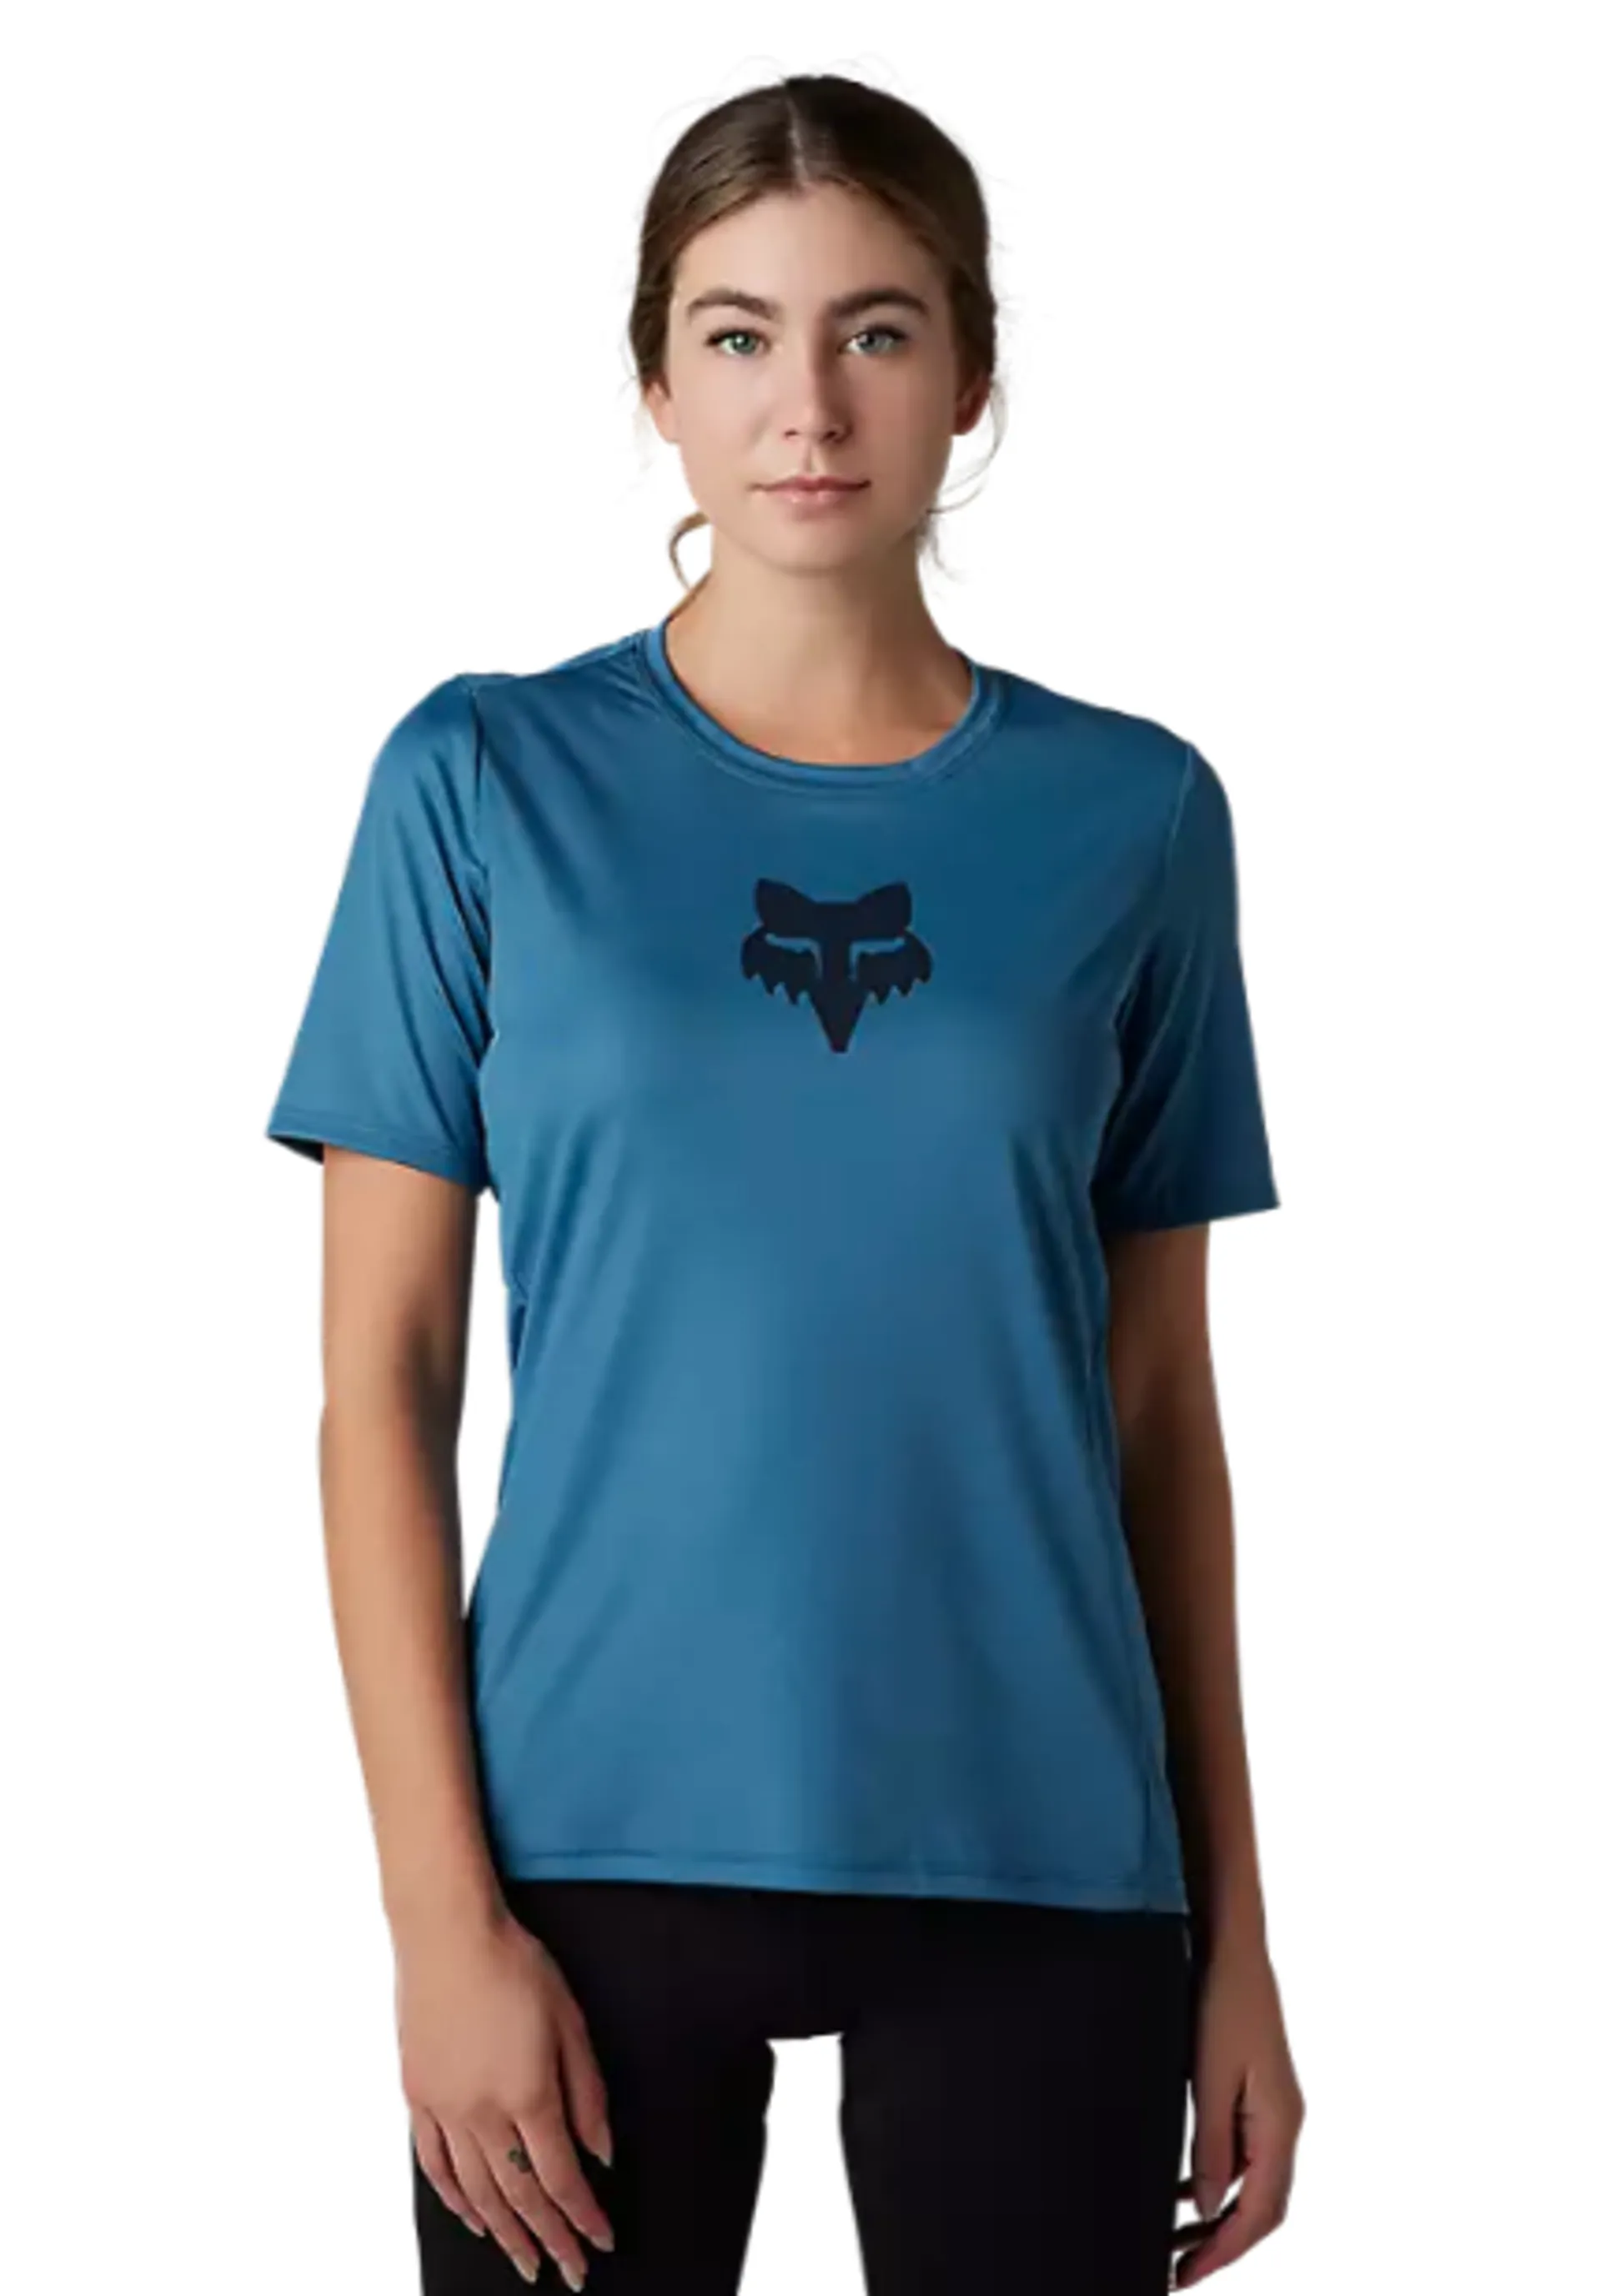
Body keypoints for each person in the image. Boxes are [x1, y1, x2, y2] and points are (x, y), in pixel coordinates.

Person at [264, 71, 1305, 2296]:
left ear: (973, 374)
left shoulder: (1135, 819)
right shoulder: (482, 782)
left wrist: (1236, 1934)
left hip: (1041, 1848)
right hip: (579, 1844)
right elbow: (382, 1386)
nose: (806, 404)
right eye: (737, 334)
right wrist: (437, 1923)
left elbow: (1162, 1419)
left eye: (876, 331)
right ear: (656, 380)